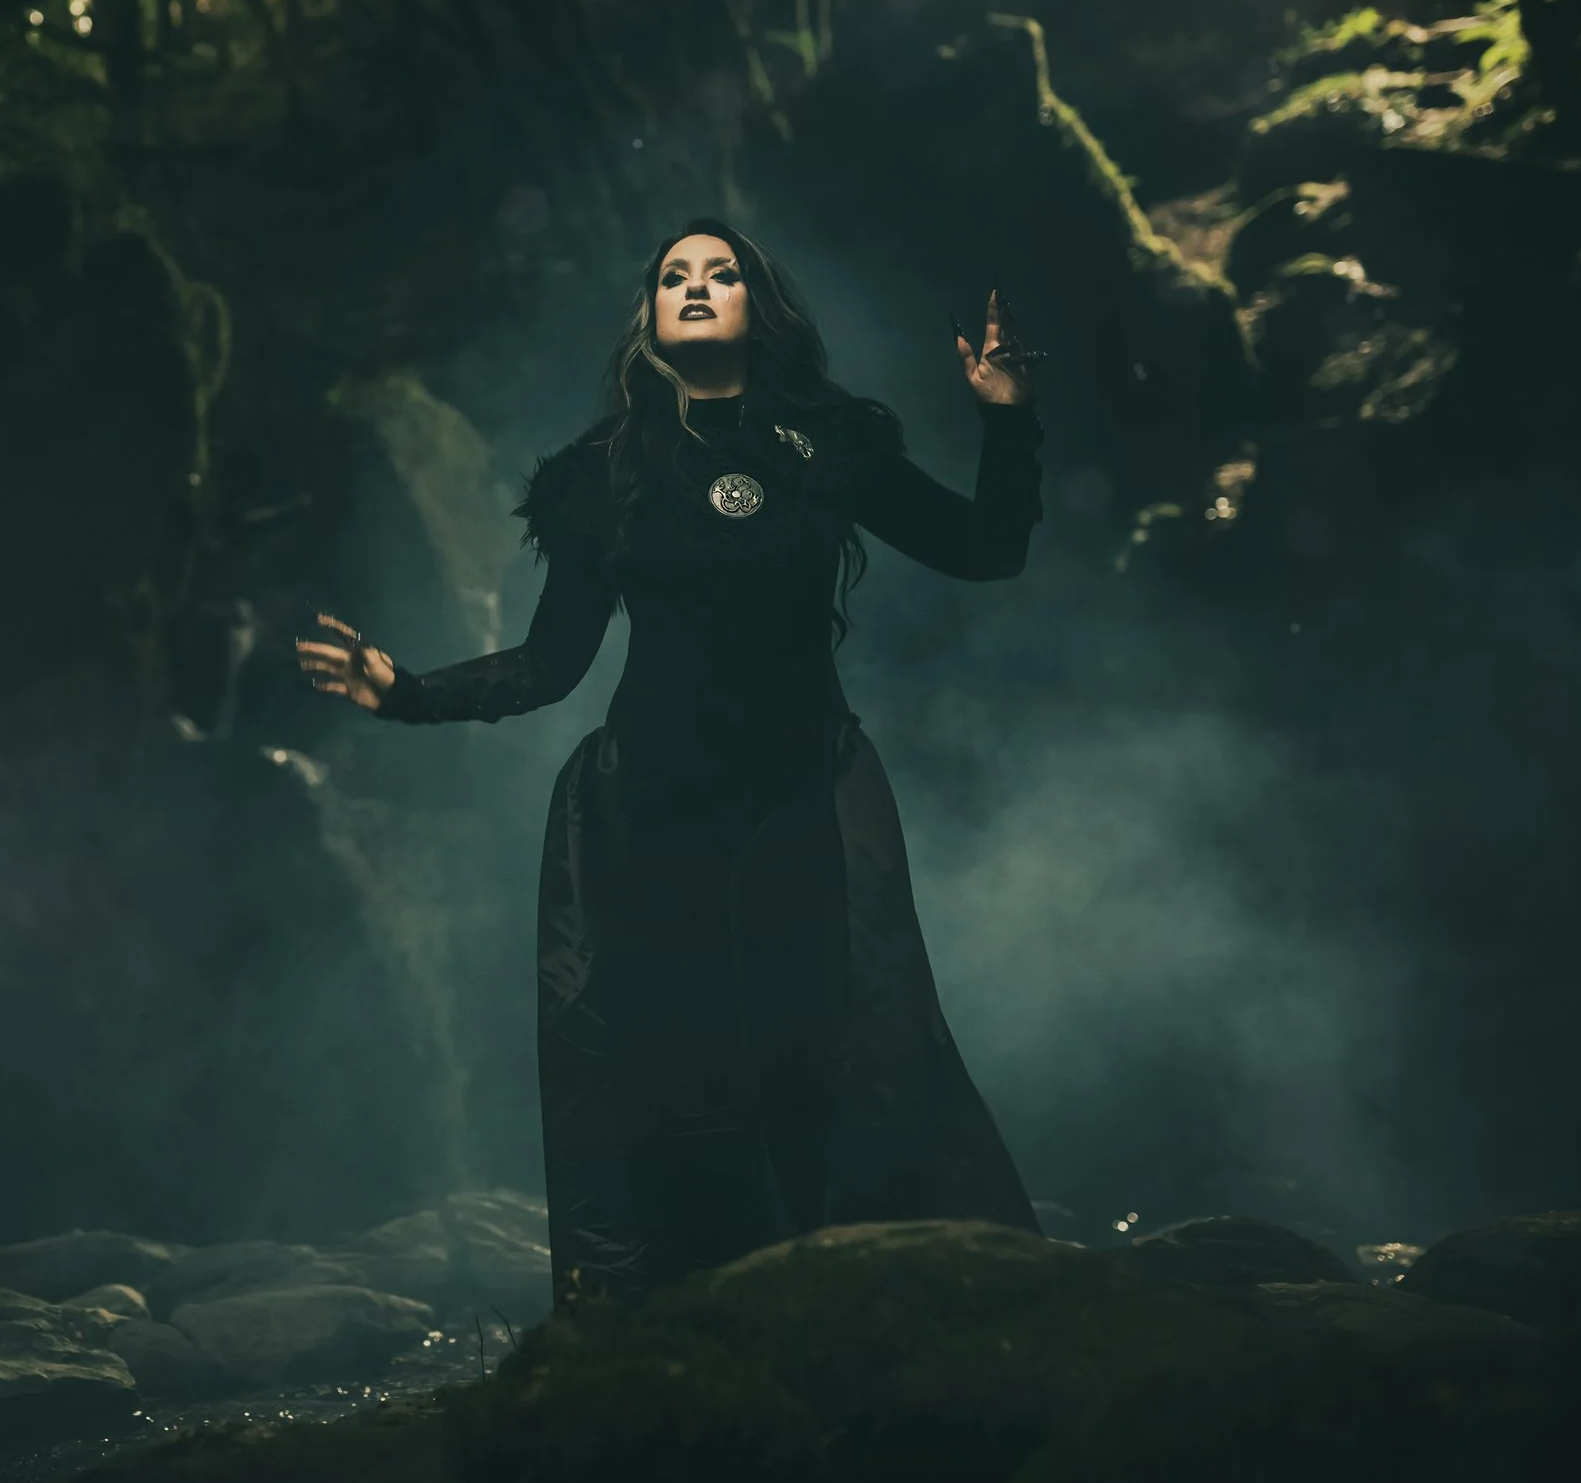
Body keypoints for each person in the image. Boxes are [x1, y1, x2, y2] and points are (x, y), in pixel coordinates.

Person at [295, 218, 1048, 1307]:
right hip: (650, 809)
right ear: (648, 320)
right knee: (676, 1083)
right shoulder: (600, 477)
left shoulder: (829, 445)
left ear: (761, 308)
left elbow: (987, 552)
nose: (695, 287)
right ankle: (689, 1337)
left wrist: (1007, 424)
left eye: (721, 272)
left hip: (796, 796)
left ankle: (838, 1317)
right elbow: (552, 665)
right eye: (672, 277)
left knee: (815, 1063)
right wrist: (405, 692)